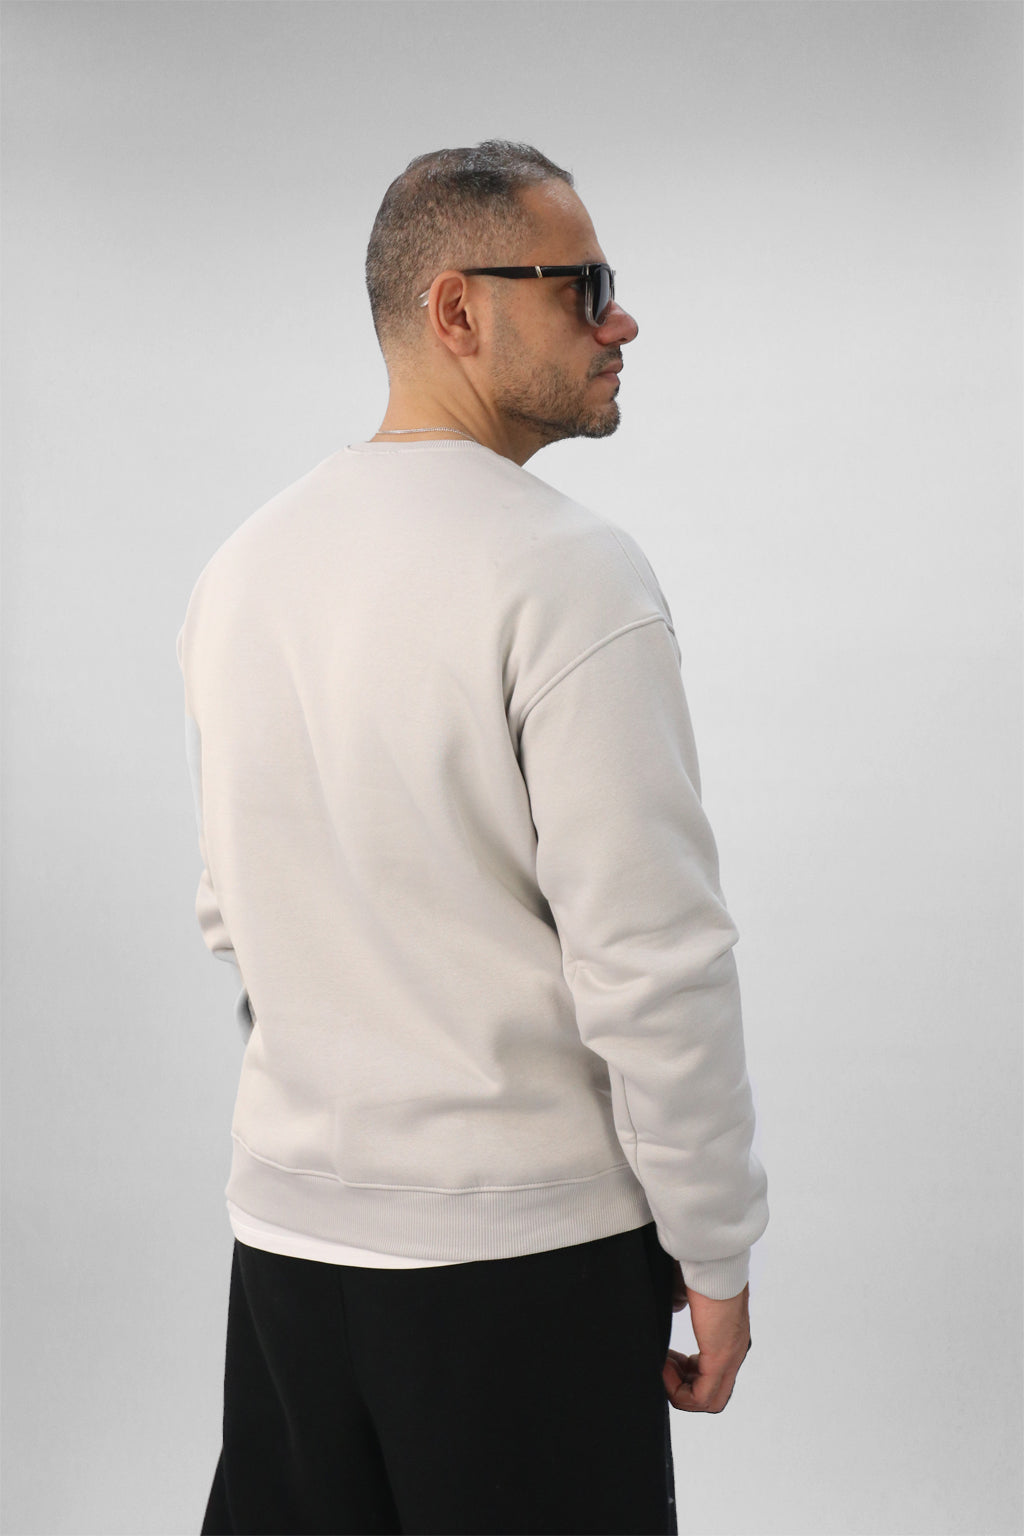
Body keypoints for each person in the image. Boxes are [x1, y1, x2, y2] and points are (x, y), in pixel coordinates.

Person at [177, 139, 769, 1536]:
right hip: (521, 1268)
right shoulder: (569, 574)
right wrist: (716, 1247)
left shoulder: (245, 566)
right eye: (585, 289)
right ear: (458, 309)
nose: (622, 322)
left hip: (288, 1263)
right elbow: (653, 959)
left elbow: (231, 911)